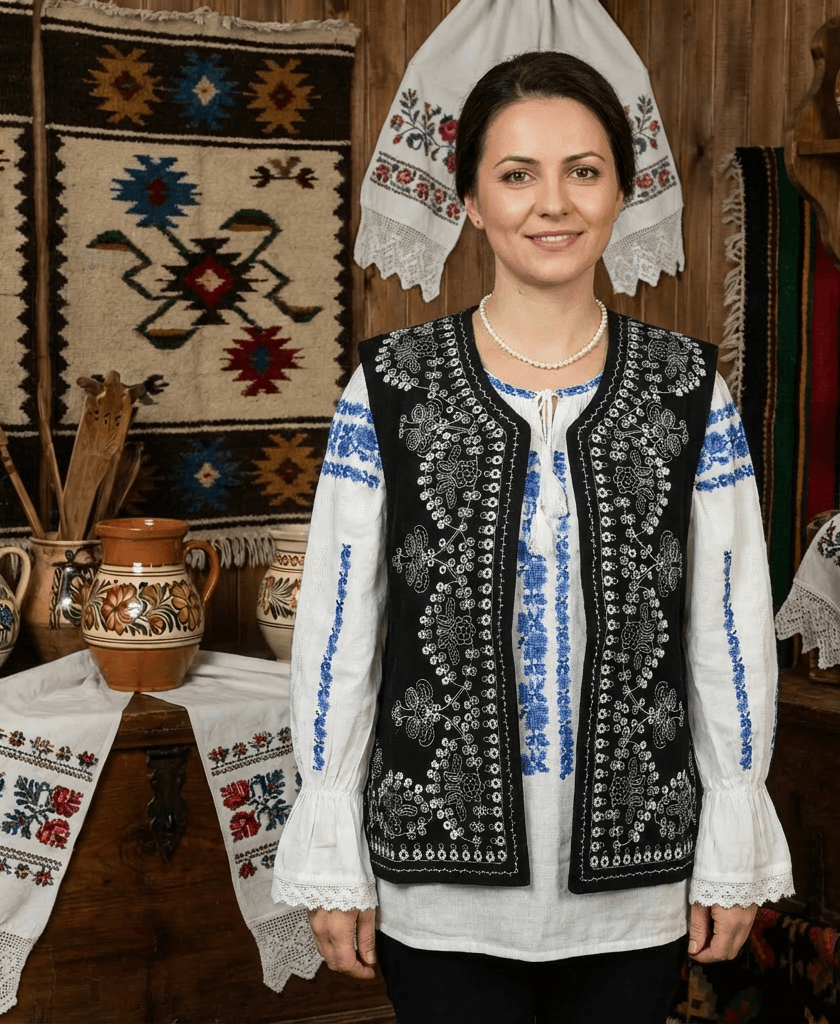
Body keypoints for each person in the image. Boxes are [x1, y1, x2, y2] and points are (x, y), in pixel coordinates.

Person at [272, 51, 794, 1024]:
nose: (552, 202)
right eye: (517, 174)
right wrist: (333, 845)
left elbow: (727, 632)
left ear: (620, 191)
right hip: (438, 887)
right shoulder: (392, 386)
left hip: (636, 882)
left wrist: (732, 840)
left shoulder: (688, 390)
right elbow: (339, 631)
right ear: (471, 199)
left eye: (582, 170)